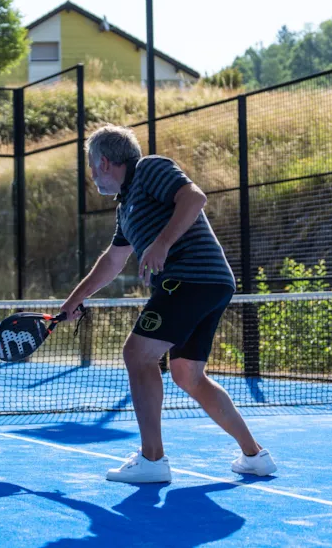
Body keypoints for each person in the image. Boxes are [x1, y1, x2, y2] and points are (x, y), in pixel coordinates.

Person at [59, 124, 276, 483]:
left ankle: (153, 460)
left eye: (92, 166)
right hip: (208, 284)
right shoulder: (126, 208)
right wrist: (73, 301)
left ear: (105, 162)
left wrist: (161, 244)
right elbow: (112, 263)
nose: (92, 175)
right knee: (187, 374)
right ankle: (255, 455)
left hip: (191, 277)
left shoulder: (150, 169)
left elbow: (194, 198)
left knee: (137, 354)